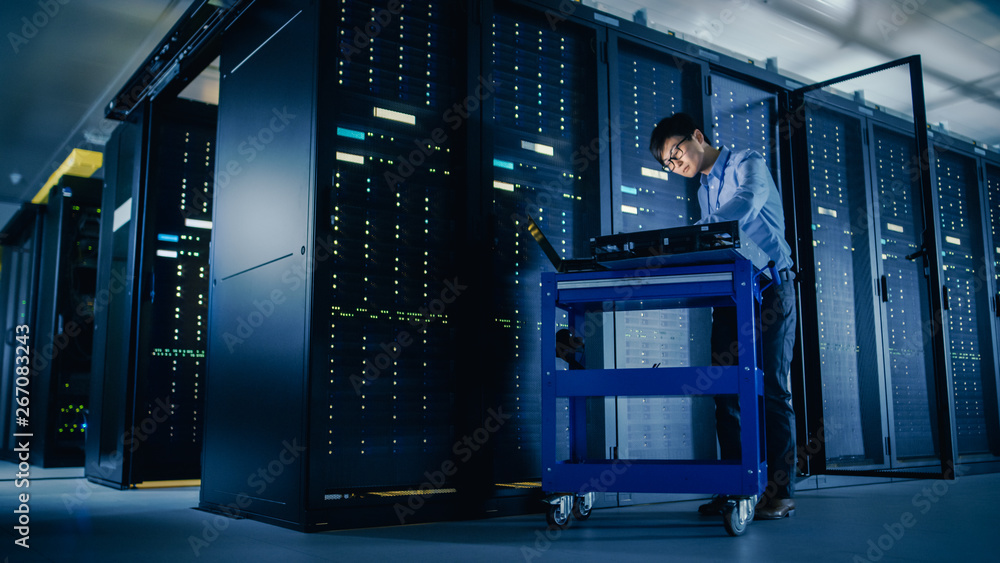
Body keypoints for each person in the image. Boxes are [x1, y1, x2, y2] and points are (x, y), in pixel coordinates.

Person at [648, 113, 798, 520]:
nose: (673, 164)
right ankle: (736, 488)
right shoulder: (703, 191)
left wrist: (695, 232)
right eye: (667, 163)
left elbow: (746, 204)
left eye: (675, 152)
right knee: (725, 390)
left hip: (770, 289)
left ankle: (778, 492)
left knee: (771, 389)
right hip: (732, 296)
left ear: (698, 136)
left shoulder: (746, 162)